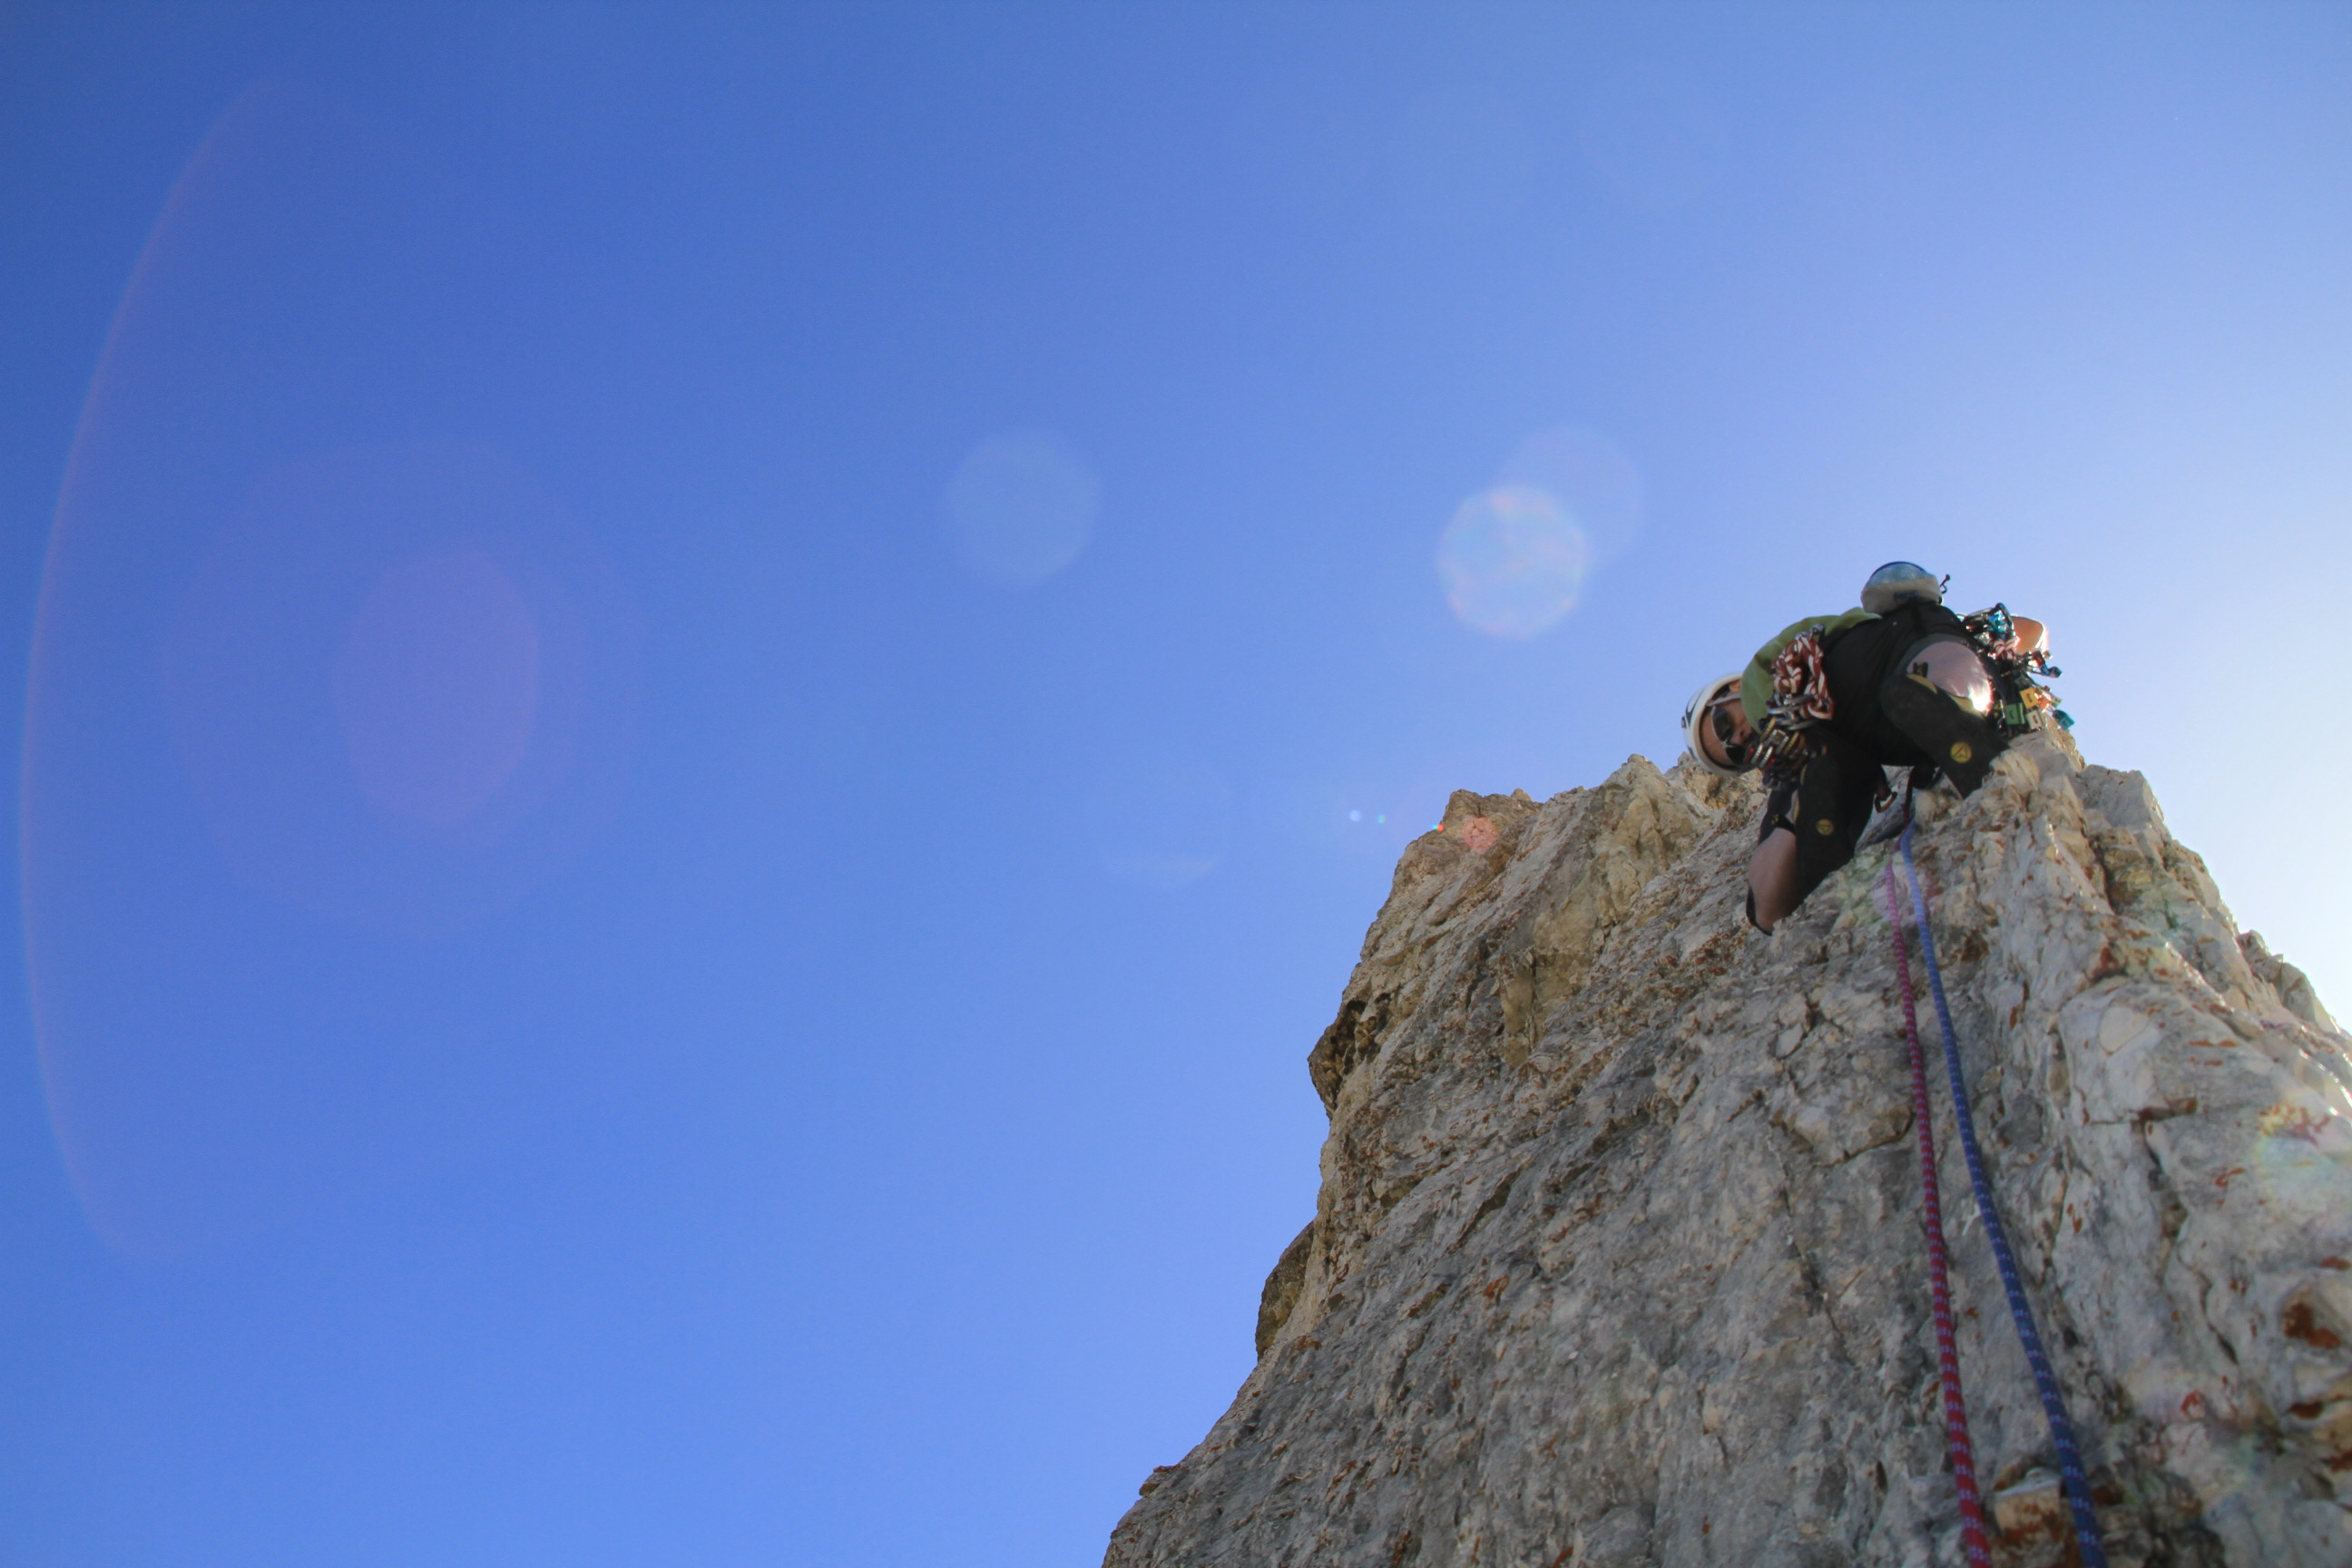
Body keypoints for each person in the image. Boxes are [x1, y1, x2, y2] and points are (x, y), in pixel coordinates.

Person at [1681, 563, 2052, 932]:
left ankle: (1832, 798)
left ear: (1730, 691)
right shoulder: (1787, 764)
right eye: (1733, 755)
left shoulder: (1764, 684)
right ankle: (1952, 702)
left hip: (1853, 679)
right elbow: (2028, 632)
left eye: (1723, 725)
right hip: (1883, 677)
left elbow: (1767, 911)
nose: (1738, 740)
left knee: (1924, 653)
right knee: (1936, 657)